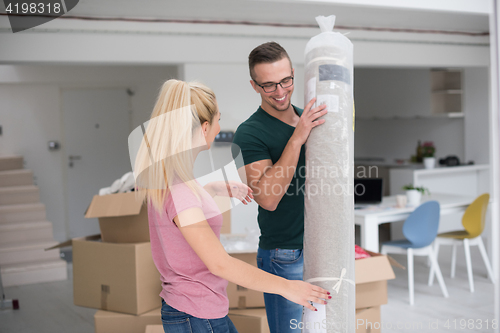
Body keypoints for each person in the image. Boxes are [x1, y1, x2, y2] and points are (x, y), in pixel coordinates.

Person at [133, 79, 330, 333]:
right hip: (198, 313)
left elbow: (176, 215)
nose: (218, 129)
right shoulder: (181, 192)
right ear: (204, 128)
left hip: (193, 309)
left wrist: (209, 190)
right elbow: (220, 264)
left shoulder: (166, 179)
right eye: (217, 120)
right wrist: (289, 287)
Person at [231, 42, 328, 333]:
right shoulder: (250, 132)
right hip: (286, 254)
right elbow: (267, 198)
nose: (280, 91)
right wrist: (296, 139)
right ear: (254, 86)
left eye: (286, 80)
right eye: (269, 85)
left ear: (293, 73)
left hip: (321, 246)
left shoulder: (309, 117)